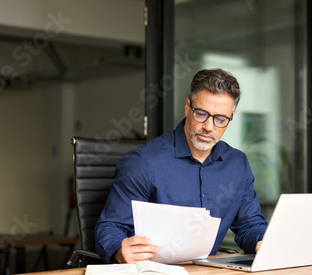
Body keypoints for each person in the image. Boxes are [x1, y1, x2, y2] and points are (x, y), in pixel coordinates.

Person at [95, 68, 268, 263]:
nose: (209, 127)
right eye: (201, 114)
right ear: (187, 107)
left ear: (231, 116)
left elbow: (249, 225)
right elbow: (110, 227)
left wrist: (263, 241)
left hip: (207, 274)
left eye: (220, 119)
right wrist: (119, 250)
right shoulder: (143, 162)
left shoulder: (237, 164)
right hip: (154, 273)